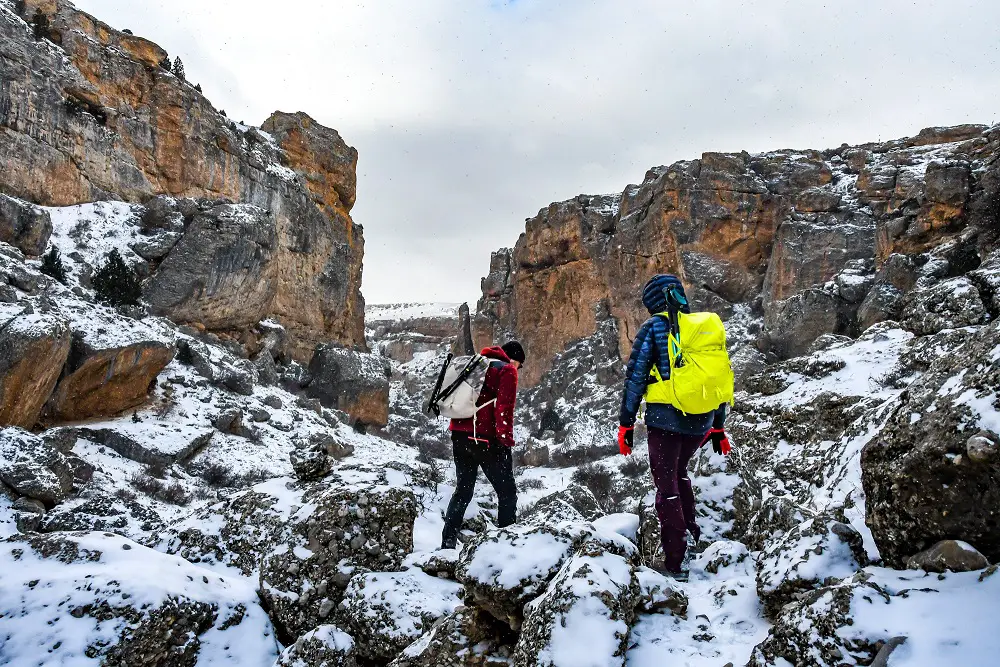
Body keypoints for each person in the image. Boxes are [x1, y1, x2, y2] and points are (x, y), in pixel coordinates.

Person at [617, 274, 730, 580]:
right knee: (680, 475)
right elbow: (717, 380)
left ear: (652, 302)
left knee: (666, 487)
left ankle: (675, 563)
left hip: (666, 420)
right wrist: (718, 427)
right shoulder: (702, 328)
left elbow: (636, 378)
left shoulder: (653, 327)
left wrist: (625, 424)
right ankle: (691, 537)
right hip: (702, 420)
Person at [440, 340, 526, 550]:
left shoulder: (474, 365)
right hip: (486, 440)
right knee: (507, 493)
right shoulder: (506, 370)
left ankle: (447, 543)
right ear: (513, 359)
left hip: (459, 437)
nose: (518, 369)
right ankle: (506, 547)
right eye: (519, 365)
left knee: (463, 491)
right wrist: (505, 441)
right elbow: (504, 409)